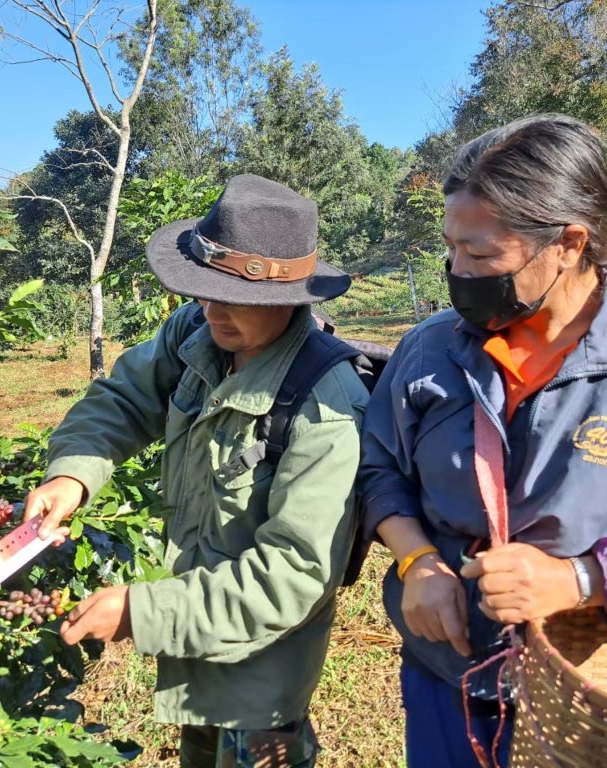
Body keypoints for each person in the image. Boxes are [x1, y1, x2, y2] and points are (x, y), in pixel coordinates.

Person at [359, 114, 607, 767]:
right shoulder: (429, 347)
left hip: (593, 696)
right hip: (449, 675)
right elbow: (379, 466)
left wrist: (581, 579)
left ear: (570, 243)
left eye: (482, 254)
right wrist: (417, 561)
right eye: (451, 248)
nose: (457, 270)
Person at [23, 174, 369, 768]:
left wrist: (141, 611)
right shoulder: (199, 331)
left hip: (263, 676)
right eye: (201, 292)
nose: (210, 308)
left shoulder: (325, 406)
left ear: (288, 301)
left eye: (232, 297)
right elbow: (125, 399)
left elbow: (291, 576)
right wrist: (72, 474)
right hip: (195, 647)